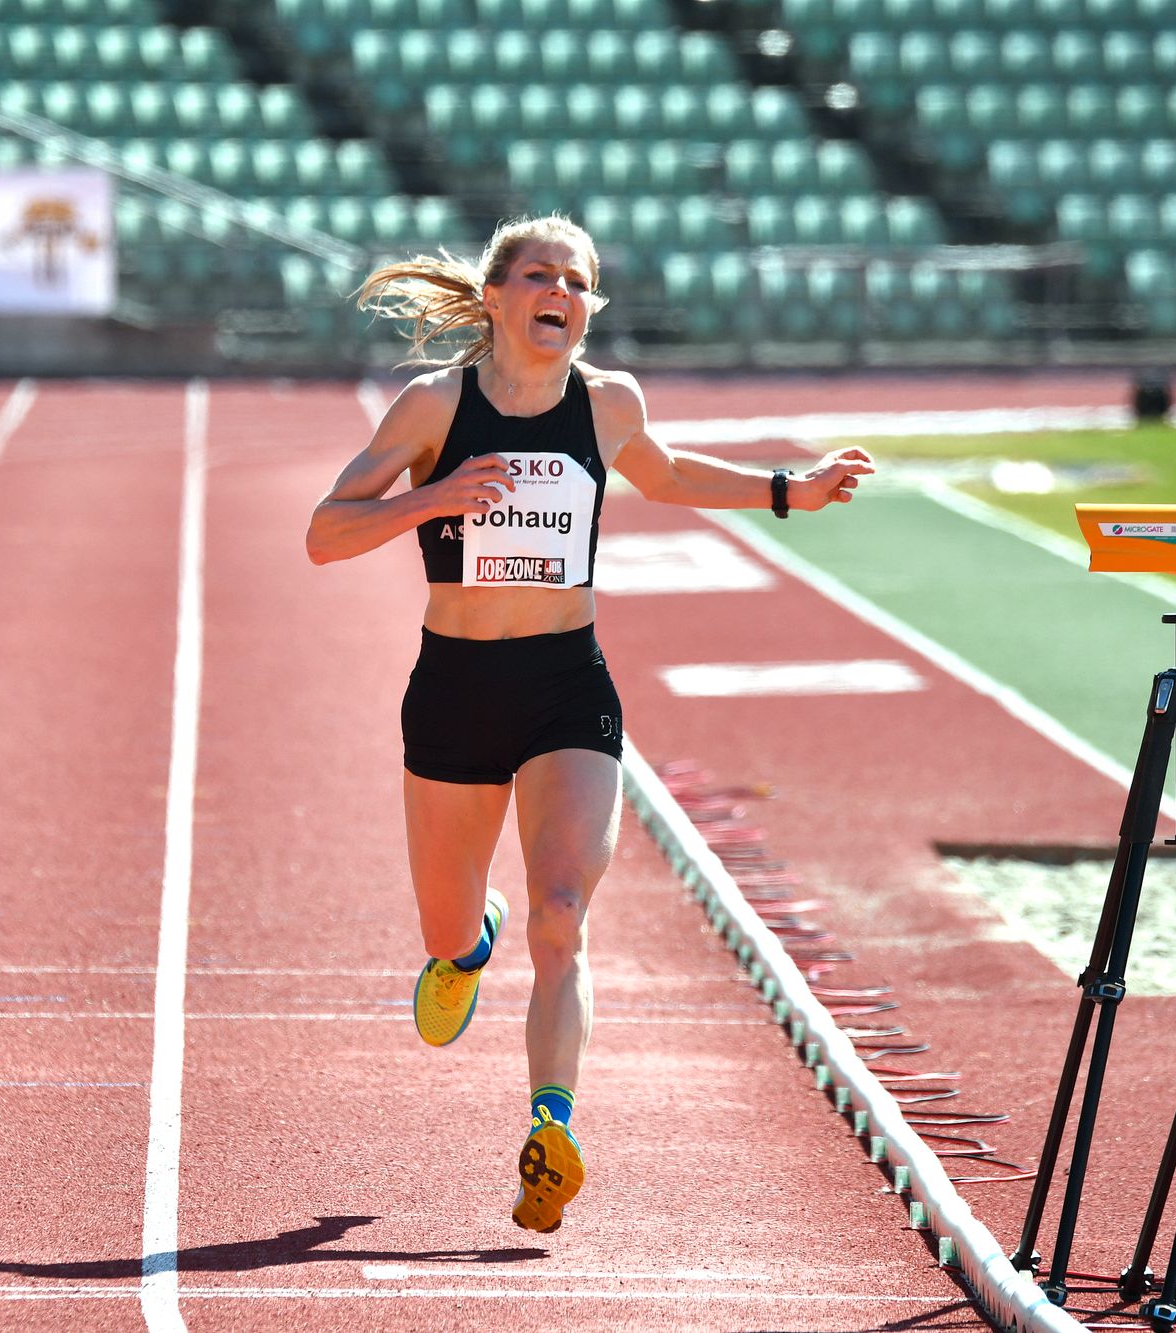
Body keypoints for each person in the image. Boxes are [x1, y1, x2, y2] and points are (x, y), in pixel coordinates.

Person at [304, 215, 873, 1233]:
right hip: (453, 690)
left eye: (578, 279)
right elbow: (323, 534)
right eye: (538, 274)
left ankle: (549, 1127)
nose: (559, 290)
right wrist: (432, 495)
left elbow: (661, 471)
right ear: (495, 296)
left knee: (561, 913)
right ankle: (463, 948)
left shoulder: (605, 403)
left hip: (567, 685)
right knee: (447, 922)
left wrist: (794, 488)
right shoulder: (435, 404)